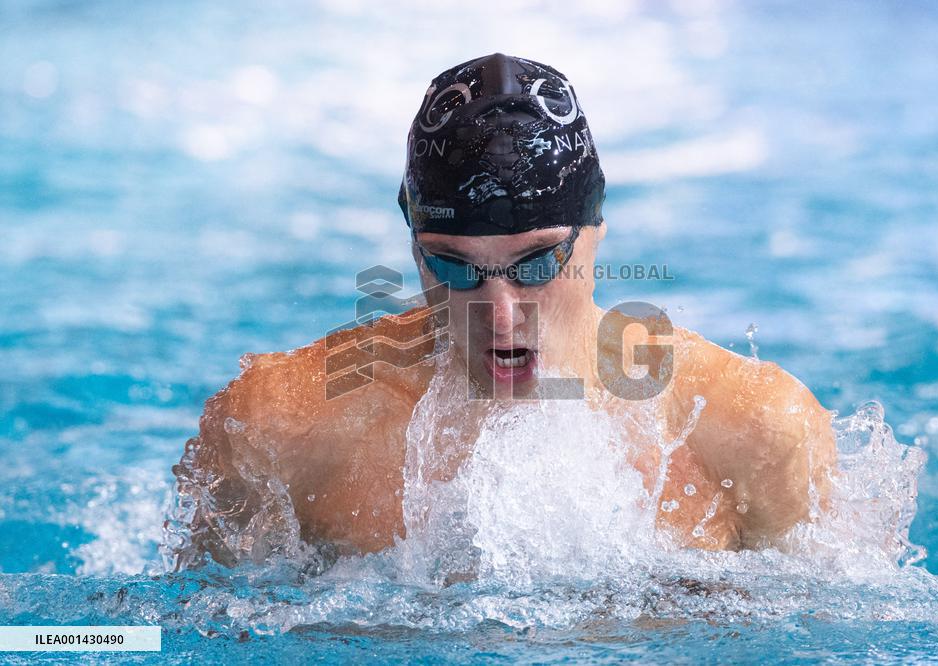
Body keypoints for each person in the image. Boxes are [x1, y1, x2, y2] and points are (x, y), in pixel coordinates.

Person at [170, 53, 836, 569]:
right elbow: (161, 640)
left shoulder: (752, 432)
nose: (500, 312)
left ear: (595, 233)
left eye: (536, 264)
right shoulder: (279, 430)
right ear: (414, 249)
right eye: (453, 267)